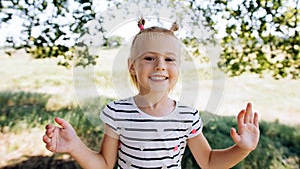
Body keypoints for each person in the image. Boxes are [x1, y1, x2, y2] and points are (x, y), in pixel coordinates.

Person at [43, 18, 260, 169]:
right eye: (149, 58)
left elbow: (209, 162)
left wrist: (242, 149)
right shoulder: (117, 112)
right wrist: (75, 147)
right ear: (132, 66)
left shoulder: (187, 117)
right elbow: (105, 165)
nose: (160, 66)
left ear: (179, 66)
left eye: (169, 59)